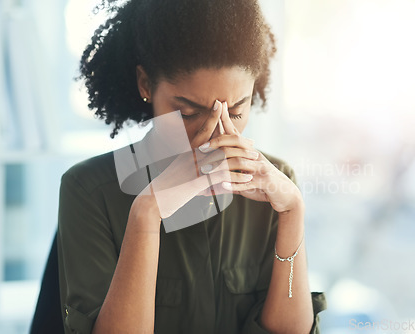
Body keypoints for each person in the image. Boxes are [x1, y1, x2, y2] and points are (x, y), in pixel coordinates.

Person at [57, 0, 326, 333]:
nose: (215, 133)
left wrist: (293, 212)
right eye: (188, 113)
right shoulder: (89, 191)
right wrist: (146, 211)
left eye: (237, 111)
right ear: (145, 84)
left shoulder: (275, 186)